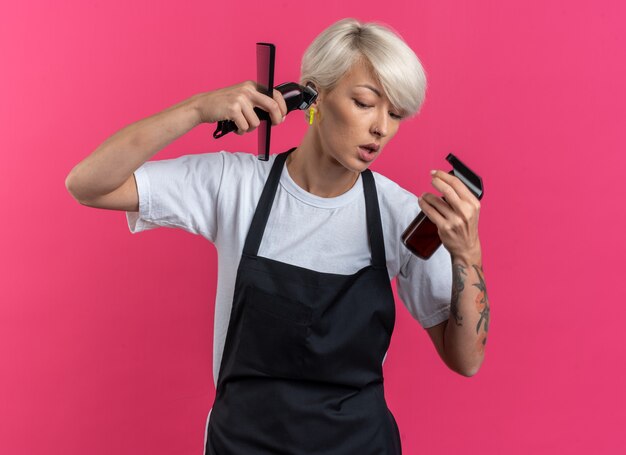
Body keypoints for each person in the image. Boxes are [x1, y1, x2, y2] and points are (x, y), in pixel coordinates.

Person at [66, 17, 489, 455]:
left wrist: (467, 254)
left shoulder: (400, 215)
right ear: (314, 93)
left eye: (396, 113)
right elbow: (88, 184)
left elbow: (467, 360)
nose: (382, 127)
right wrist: (195, 109)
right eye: (365, 102)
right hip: (242, 444)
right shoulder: (235, 185)